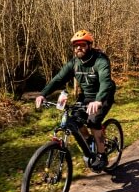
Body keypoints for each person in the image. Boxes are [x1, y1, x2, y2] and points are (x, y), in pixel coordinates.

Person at [35, 29, 116, 172]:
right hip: (86, 96)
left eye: (82, 45)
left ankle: (102, 155)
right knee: (74, 120)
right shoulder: (74, 63)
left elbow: (105, 81)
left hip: (103, 95)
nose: (79, 48)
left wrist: (98, 101)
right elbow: (58, 79)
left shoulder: (100, 60)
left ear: (89, 45)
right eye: (76, 45)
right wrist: (43, 94)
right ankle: (89, 140)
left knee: (93, 121)